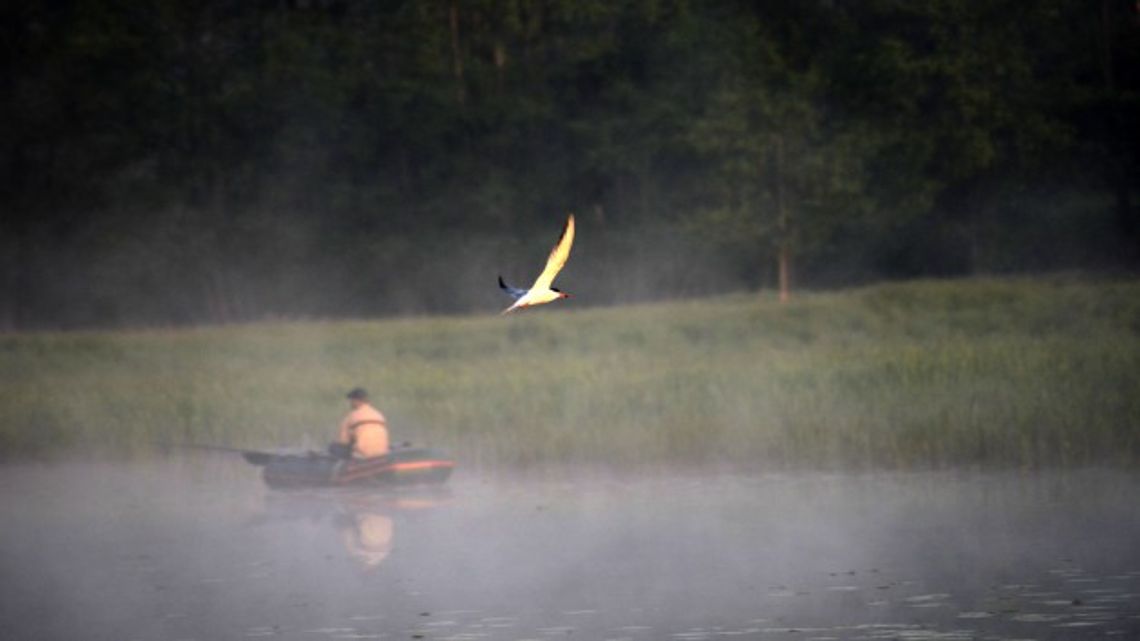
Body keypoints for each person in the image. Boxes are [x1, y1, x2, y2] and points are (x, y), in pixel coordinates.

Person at [330, 387, 390, 459]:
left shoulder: (350, 417)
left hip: (362, 456)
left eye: (351, 401)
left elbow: (343, 442)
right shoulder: (379, 415)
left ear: (356, 401)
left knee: (334, 447)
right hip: (382, 453)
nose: (350, 403)